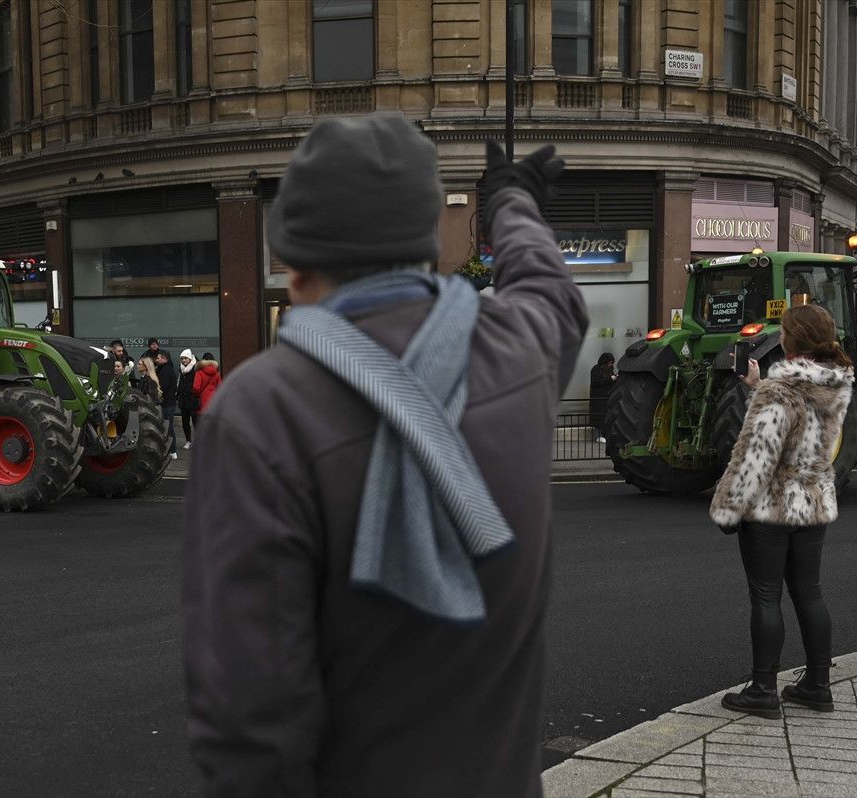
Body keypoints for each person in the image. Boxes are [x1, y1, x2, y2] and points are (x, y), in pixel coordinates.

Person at [183, 113, 586, 797]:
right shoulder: (520, 348)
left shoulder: (263, 411)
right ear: (427, 244)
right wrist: (511, 203)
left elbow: (253, 720)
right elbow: (551, 289)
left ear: (292, 259)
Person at [710, 304, 854, 720]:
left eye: (786, 332)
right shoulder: (837, 384)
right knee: (809, 592)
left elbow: (757, 458)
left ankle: (762, 689)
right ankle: (817, 685)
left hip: (771, 508)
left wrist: (728, 509)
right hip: (811, 501)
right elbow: (802, 430)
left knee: (766, 596)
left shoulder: (780, 391)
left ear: (793, 341)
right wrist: (760, 389)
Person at [155, 351, 179, 459]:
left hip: (167, 403)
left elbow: (163, 387)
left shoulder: (165, 370)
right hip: (169, 402)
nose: (156, 360)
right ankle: (171, 450)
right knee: (168, 426)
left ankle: (172, 450)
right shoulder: (166, 369)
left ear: (164, 359)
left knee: (168, 427)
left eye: (158, 358)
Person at [589, 352, 616, 443]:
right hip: (598, 398)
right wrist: (610, 379)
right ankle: (599, 435)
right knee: (599, 418)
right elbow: (596, 382)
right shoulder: (596, 369)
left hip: (607, 397)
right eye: (609, 362)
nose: (611, 364)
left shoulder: (609, 369)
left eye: (612, 362)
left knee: (605, 417)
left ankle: (604, 435)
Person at [176, 349, 198, 449]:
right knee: (185, 422)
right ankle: (188, 441)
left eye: (185, 358)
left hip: (192, 398)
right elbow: (179, 381)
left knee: (195, 421)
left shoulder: (196, 368)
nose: (183, 360)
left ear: (190, 358)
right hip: (183, 399)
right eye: (182, 359)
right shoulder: (181, 369)